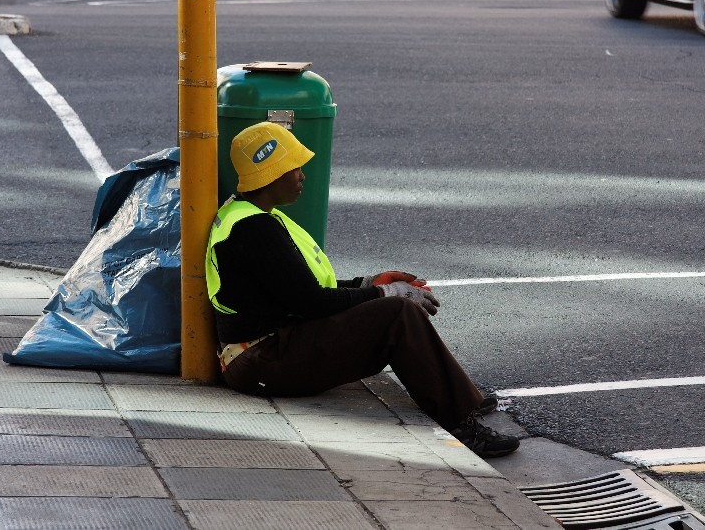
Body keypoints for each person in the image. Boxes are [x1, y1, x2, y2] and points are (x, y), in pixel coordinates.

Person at [204, 122, 520, 459]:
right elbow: (311, 302)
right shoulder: (254, 229)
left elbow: (296, 289)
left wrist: (368, 284)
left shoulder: (247, 216)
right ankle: (460, 422)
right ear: (272, 173)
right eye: (294, 168)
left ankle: (459, 397)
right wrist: (383, 295)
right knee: (397, 314)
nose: (302, 176)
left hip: (263, 351)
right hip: (262, 362)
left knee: (394, 310)